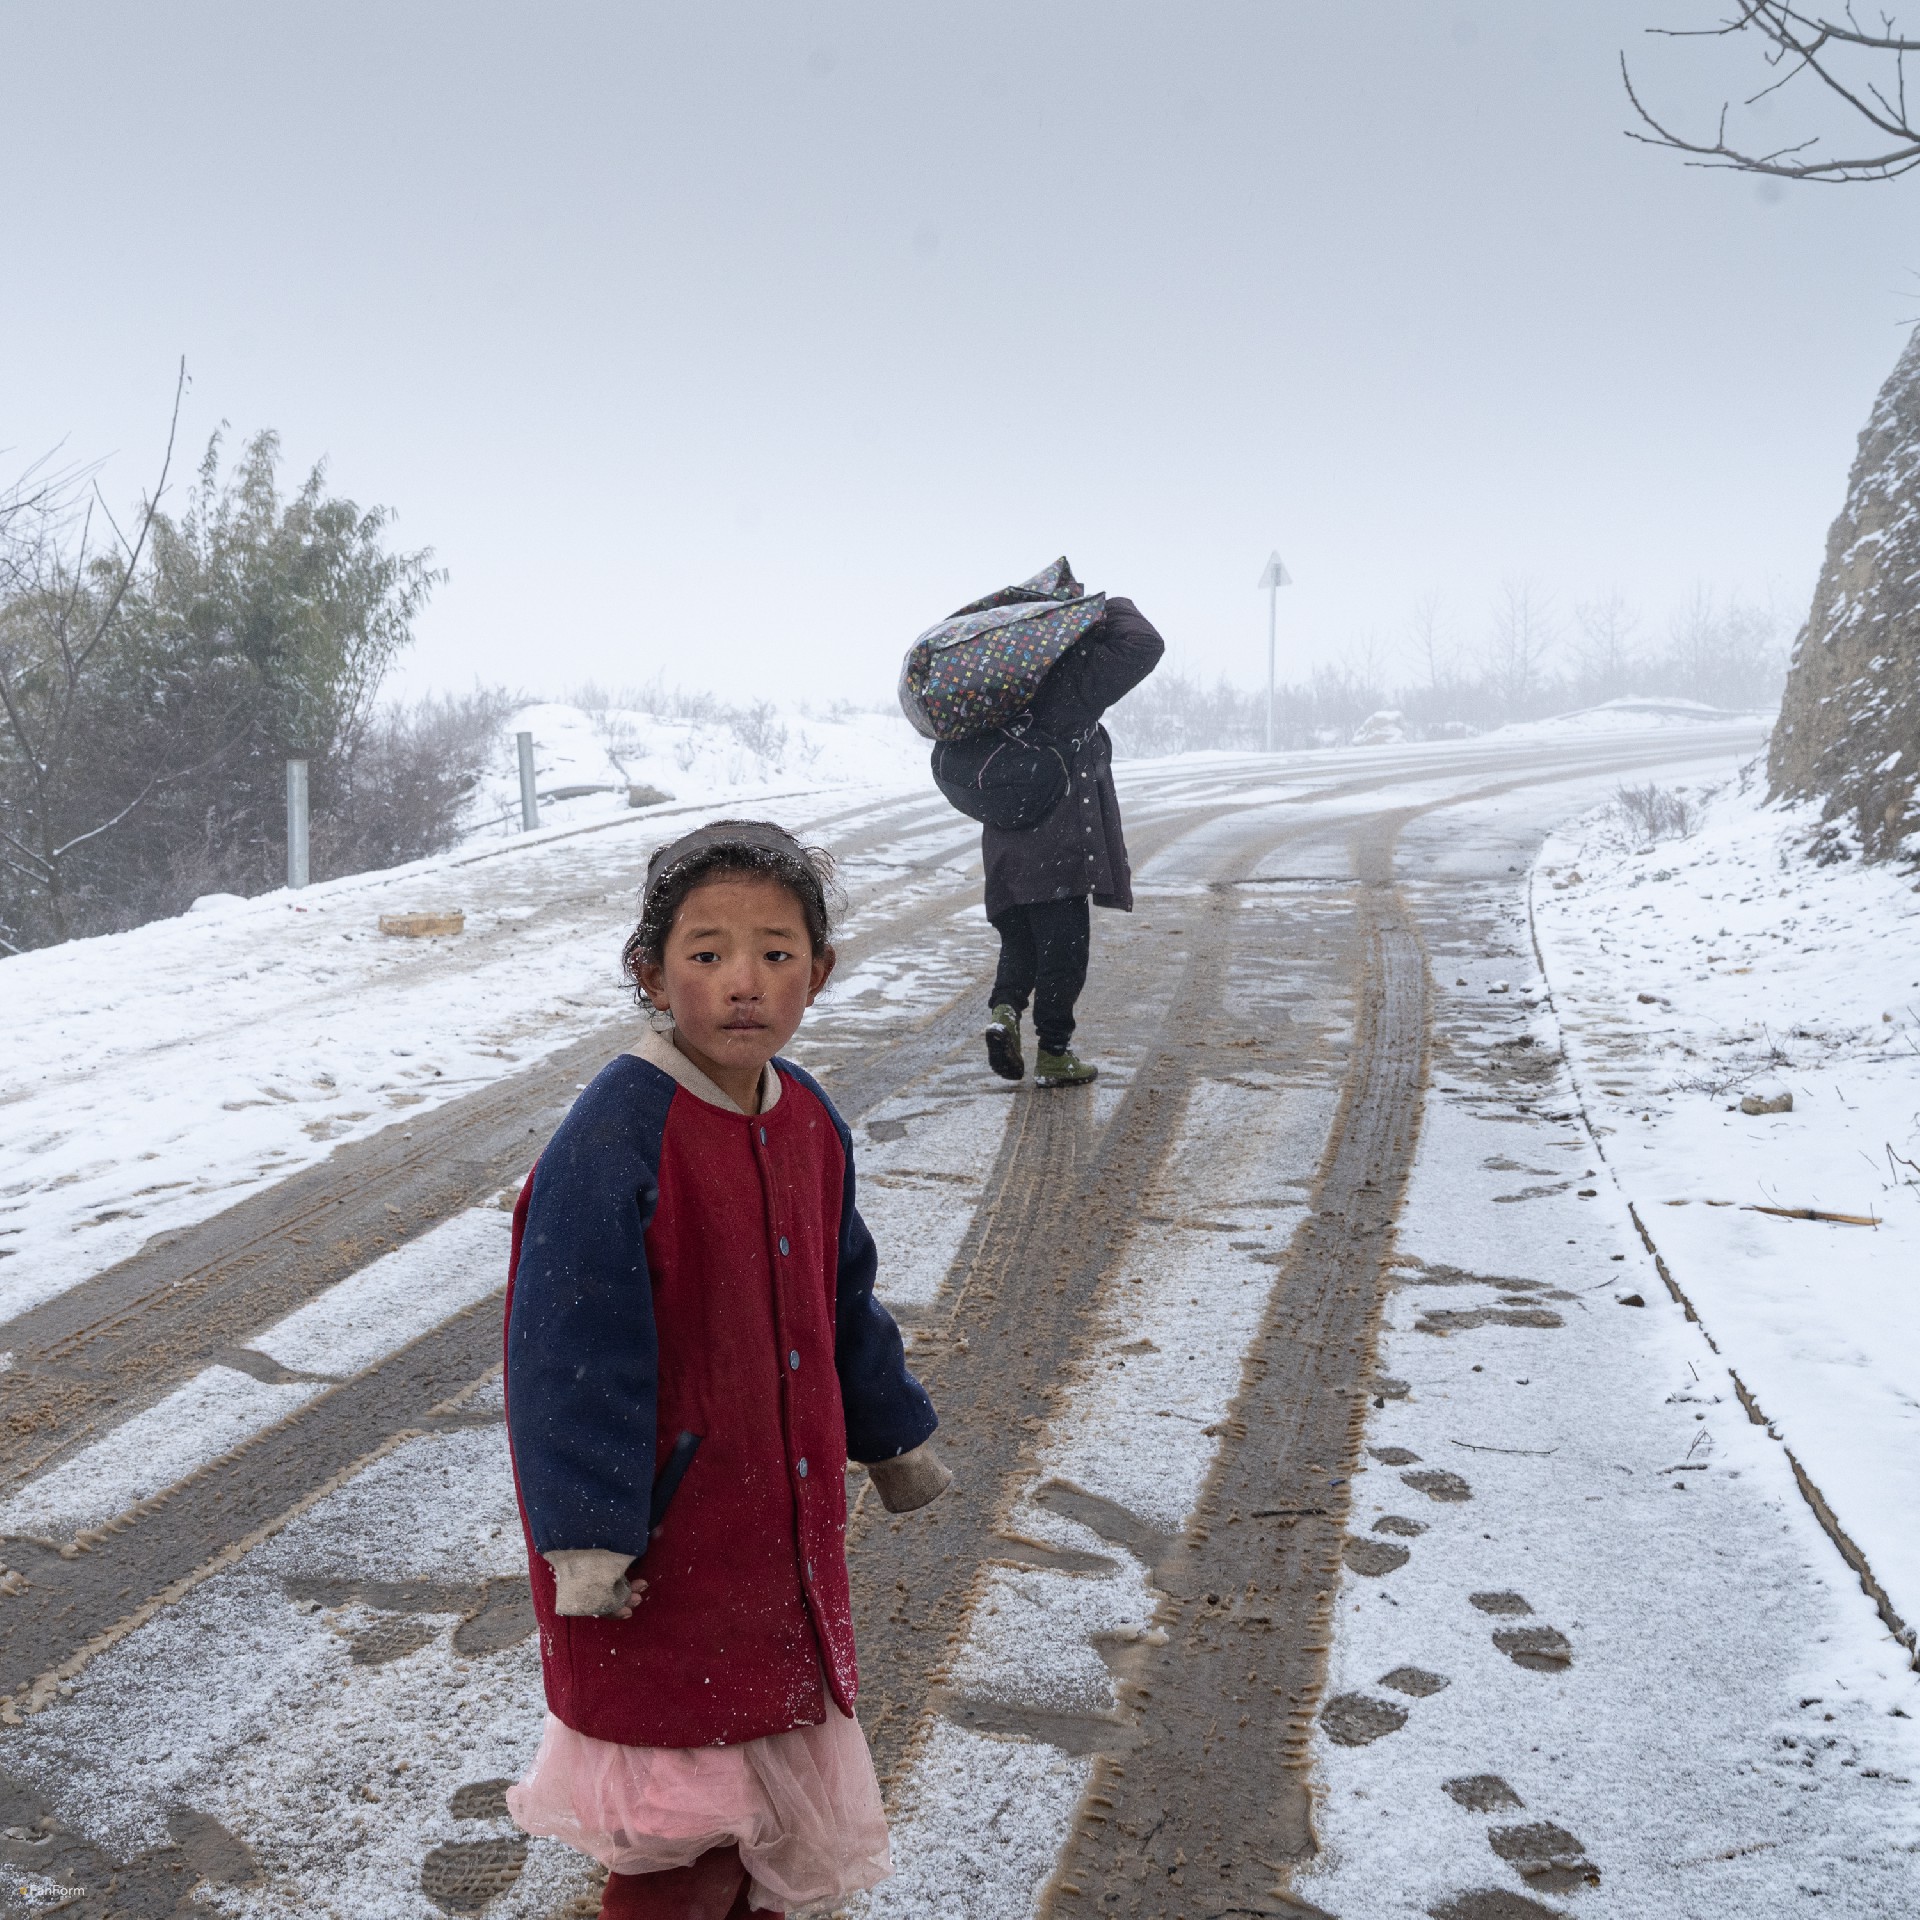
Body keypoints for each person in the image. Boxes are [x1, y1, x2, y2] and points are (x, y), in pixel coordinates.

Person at [503, 819, 950, 1920]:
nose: (744, 981)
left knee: (765, 1823)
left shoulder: (808, 1118)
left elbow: (842, 1294)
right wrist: (589, 1536)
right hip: (664, 1549)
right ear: (652, 974)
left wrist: (890, 1433)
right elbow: (566, 1353)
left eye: (776, 952)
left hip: (780, 1537)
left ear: (818, 973)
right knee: (682, 1836)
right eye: (707, 954)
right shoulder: (616, 1134)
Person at [981, 596, 1165, 1086]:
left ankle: (1004, 1013)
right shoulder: (1071, 681)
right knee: (1064, 953)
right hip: (1057, 847)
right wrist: (1109, 605)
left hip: (1005, 846)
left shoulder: (998, 687)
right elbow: (1145, 644)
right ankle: (1054, 1054)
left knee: (1020, 941)